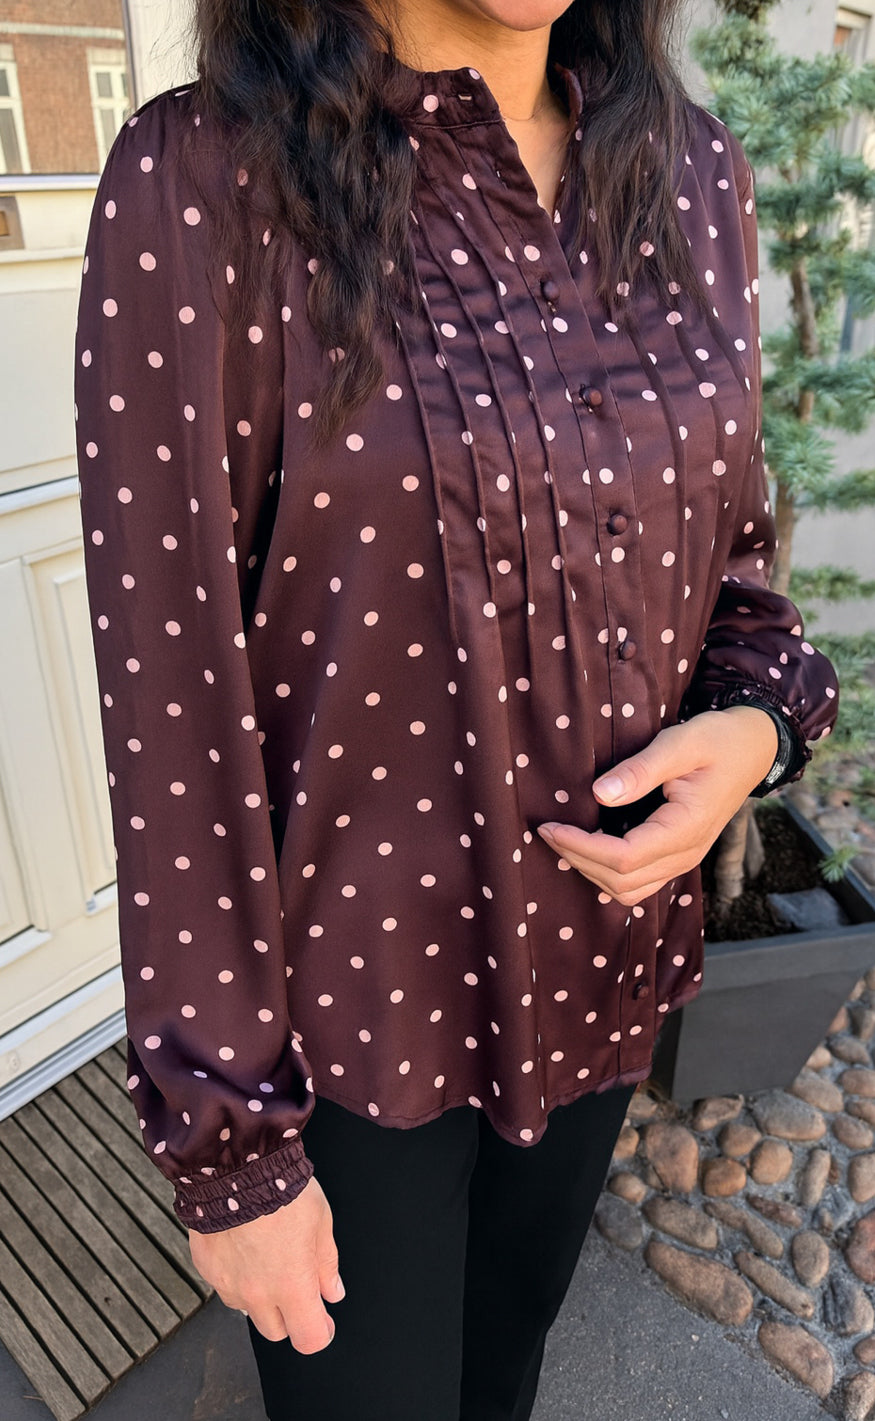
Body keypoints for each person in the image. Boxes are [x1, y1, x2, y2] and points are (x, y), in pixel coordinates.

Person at [73, 1, 840, 1417]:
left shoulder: (689, 172)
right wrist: (232, 1151)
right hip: (347, 1033)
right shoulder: (209, 182)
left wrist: (756, 728)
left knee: (505, 1379)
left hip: (599, 974)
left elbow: (734, 570)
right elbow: (174, 706)